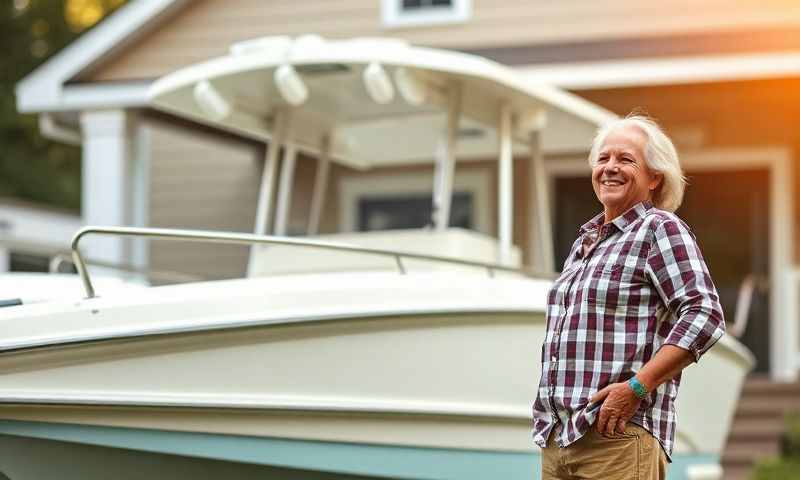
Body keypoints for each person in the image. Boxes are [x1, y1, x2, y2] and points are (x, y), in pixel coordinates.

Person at [531, 114, 725, 479]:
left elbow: (705, 314)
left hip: (618, 436)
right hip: (559, 440)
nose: (610, 168)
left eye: (625, 159)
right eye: (603, 159)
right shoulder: (585, 242)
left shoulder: (659, 229)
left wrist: (638, 386)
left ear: (655, 177)